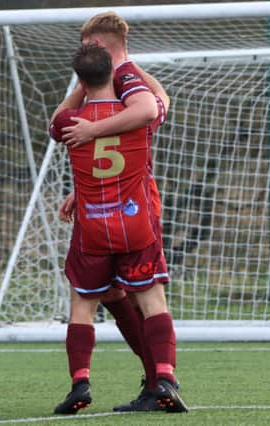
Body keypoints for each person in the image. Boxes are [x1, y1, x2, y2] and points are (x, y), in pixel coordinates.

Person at [49, 43, 187, 415]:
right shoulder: (138, 118)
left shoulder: (70, 124)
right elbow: (160, 99)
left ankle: (80, 384)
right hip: (135, 224)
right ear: (113, 74)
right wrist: (128, 68)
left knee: (82, 303)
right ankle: (165, 378)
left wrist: (81, 85)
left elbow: (55, 119)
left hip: (93, 226)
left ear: (80, 78)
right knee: (152, 301)